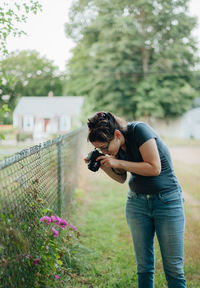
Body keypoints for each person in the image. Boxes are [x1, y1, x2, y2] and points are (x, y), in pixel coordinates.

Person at [85, 111, 186, 288]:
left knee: (174, 269)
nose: (105, 151)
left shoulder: (140, 131)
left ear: (117, 135)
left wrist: (118, 163)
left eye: (105, 147)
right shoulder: (115, 147)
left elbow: (154, 168)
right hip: (137, 204)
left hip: (167, 202)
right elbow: (121, 178)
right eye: (100, 149)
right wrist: (104, 165)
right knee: (144, 267)